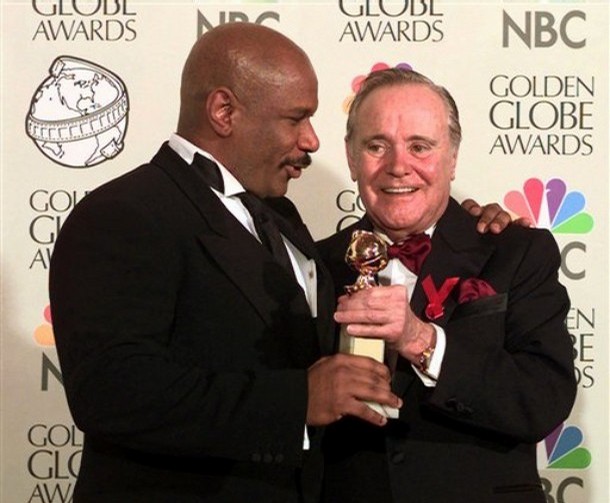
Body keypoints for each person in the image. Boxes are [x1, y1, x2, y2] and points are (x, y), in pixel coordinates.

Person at [50, 23, 515, 502]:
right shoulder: (123, 214)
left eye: (421, 146)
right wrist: (299, 400)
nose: (311, 140)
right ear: (224, 112)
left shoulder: (279, 215)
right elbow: (111, 392)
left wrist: (464, 224)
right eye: (296, 119)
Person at [317, 68, 577, 503]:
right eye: (377, 146)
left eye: (420, 146)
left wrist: (420, 340)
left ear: (452, 158)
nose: (398, 166)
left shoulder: (515, 251)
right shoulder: (316, 263)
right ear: (350, 156)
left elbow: (543, 398)